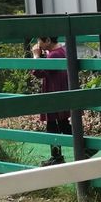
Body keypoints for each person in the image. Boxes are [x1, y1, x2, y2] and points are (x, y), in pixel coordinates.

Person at [31, 35, 69, 165]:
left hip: (54, 93)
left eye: (39, 40)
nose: (38, 43)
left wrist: (36, 55)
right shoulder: (60, 51)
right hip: (59, 91)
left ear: (47, 40)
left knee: (53, 125)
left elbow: (38, 72)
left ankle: (57, 157)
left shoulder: (53, 55)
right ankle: (57, 156)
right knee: (62, 125)